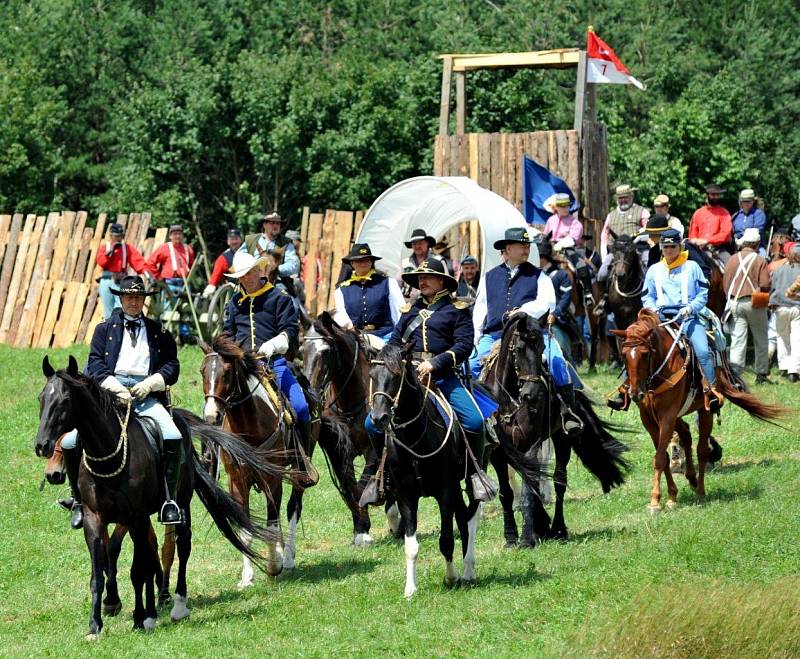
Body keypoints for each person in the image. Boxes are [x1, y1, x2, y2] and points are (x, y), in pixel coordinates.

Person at [363, 258, 494, 500]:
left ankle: (475, 473)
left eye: (427, 277)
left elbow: (464, 345)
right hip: (407, 378)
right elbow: (394, 343)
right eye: (419, 278)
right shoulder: (409, 310)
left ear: (442, 281)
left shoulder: (457, 310)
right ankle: (380, 472)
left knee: (475, 421)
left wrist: (435, 363)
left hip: (443, 377)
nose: (421, 281)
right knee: (371, 424)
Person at [59, 276, 182, 529]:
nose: (134, 301)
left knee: (173, 435)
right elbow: (95, 364)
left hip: (145, 394)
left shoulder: (158, 331)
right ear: (121, 298)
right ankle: (79, 500)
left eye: (138, 297)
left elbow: (173, 364)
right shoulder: (103, 330)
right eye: (129, 297)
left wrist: (152, 383)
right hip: (109, 395)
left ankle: (169, 501)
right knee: (71, 441)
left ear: (144, 300)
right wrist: (115, 388)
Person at [471, 227, 583, 434]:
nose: (526, 249)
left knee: (556, 361)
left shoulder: (539, 276)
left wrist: (522, 311)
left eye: (527, 245)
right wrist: (477, 337)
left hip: (530, 335)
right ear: (507, 248)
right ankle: (476, 419)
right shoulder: (489, 277)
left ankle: (568, 412)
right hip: (494, 334)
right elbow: (480, 309)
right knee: (468, 367)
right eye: (521, 245)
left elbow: (547, 302)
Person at [222, 250, 312, 446]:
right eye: (241, 276)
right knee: (214, 407)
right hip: (242, 368)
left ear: (259, 270)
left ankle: (302, 462)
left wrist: (273, 345)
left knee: (301, 407)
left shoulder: (279, 298)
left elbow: (290, 331)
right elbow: (227, 333)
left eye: (249, 273)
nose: (246, 279)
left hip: (273, 364)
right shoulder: (234, 303)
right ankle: (211, 460)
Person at [642, 229, 723, 410]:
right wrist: (653, 309)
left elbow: (703, 293)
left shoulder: (692, 267)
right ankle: (625, 387)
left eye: (673, 246)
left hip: (687, 317)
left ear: (680, 246)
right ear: (661, 248)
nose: (669, 250)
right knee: (636, 343)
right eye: (666, 246)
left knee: (702, 350)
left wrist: (691, 308)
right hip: (660, 318)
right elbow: (647, 296)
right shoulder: (653, 270)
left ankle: (711, 390)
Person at [723, 228, 772, 383]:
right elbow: (765, 284)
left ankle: (736, 374)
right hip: (755, 302)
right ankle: (762, 374)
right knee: (761, 339)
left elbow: (725, 284)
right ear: (757, 243)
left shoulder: (731, 259)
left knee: (738, 339)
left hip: (734, 301)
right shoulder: (760, 260)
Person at [595, 184, 650, 313]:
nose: (623, 200)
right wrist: (604, 253)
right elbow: (605, 234)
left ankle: (651, 298)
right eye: (620, 198)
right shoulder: (611, 215)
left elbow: (648, 229)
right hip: (617, 251)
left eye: (625, 197)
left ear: (631, 196)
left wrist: (638, 237)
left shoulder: (642, 211)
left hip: (638, 248)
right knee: (602, 273)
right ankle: (604, 299)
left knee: (649, 269)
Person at [333, 243, 404, 340]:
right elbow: (341, 314)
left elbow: (398, 310)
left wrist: (398, 336)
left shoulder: (388, 283)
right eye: (359, 260)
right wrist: (351, 329)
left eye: (367, 260)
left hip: (386, 336)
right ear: (352, 263)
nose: (363, 263)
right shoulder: (341, 290)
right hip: (356, 338)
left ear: (371, 262)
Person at [95, 223, 147, 319]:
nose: (118, 238)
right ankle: (110, 330)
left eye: (120, 236)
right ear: (111, 236)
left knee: (121, 308)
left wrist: (146, 272)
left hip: (120, 280)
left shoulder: (127, 248)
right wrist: (110, 252)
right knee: (108, 310)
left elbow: (138, 262)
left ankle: (120, 330)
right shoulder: (105, 247)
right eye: (116, 236)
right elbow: (101, 262)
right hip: (106, 279)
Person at [538, 239, 577, 364]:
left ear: (543, 258)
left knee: (562, 352)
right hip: (538, 321)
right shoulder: (535, 275)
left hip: (558, 321)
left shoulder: (561, 275)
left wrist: (555, 313)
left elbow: (566, 297)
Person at [243, 212, 300, 294]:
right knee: (235, 300)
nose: (276, 226)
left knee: (291, 302)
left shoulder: (286, 243)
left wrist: (275, 269)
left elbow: (294, 264)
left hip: (277, 282)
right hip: (250, 280)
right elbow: (238, 258)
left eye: (278, 223)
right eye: (272, 223)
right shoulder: (251, 240)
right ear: (264, 224)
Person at [770, 245, 800, 382]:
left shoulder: (778, 269)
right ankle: (794, 371)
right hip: (797, 307)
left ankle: (784, 366)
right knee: (797, 338)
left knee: (781, 337)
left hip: (780, 306)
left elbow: (773, 288)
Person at [146, 224, 195, 303]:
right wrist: (158, 277)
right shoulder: (164, 248)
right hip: (169, 284)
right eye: (175, 234)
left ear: (182, 235)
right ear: (170, 236)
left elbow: (191, 266)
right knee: (168, 309)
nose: (178, 236)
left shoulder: (188, 249)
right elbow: (150, 263)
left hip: (185, 284)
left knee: (185, 309)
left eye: (180, 234)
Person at [688, 184, 733, 263]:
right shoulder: (698, 213)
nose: (715, 197)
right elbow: (692, 234)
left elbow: (726, 234)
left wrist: (707, 241)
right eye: (713, 195)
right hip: (699, 249)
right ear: (707, 195)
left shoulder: (724, 213)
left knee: (732, 265)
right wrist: (695, 240)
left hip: (718, 250)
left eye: (717, 195)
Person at [203, 228, 243, 298]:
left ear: (240, 240)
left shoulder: (248, 253)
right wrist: (211, 286)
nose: (234, 242)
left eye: (236, 239)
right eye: (231, 239)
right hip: (234, 291)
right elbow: (216, 274)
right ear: (228, 242)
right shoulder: (223, 258)